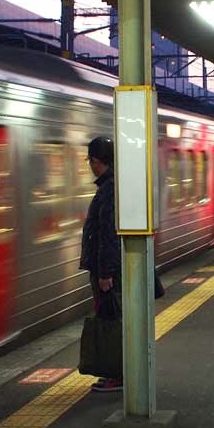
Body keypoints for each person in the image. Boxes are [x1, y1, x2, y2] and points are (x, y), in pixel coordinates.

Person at [80, 136, 123, 392]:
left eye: (91, 161)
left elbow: (108, 233)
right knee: (110, 319)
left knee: (110, 322)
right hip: (105, 268)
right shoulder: (109, 187)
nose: (90, 166)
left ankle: (117, 374)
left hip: (106, 271)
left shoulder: (109, 189)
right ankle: (114, 372)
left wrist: (105, 272)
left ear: (97, 162)